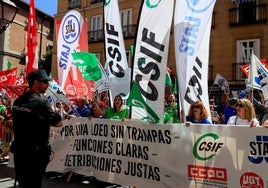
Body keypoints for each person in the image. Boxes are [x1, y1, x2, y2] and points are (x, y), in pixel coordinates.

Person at [11, 69, 63, 188]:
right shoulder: (41, 103)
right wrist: (53, 111)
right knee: (33, 184)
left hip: (20, 152)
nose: (47, 85)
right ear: (36, 83)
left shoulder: (18, 101)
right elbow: (59, 123)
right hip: (35, 154)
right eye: (45, 82)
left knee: (23, 183)